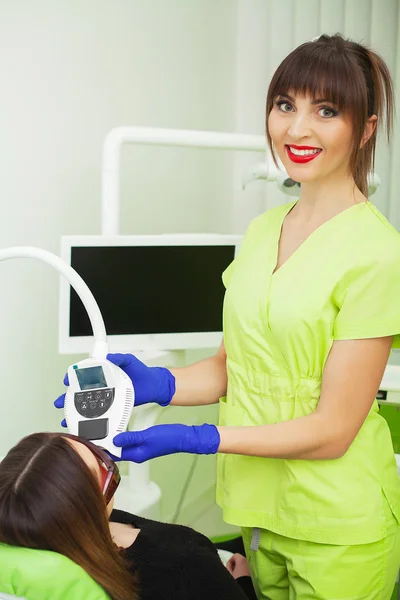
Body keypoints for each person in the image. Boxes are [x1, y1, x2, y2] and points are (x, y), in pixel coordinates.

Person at [56, 34, 400, 598]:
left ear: (365, 129)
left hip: (339, 523)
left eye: (326, 110)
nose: (296, 129)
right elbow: (232, 366)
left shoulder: (378, 254)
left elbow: (335, 430)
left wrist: (200, 438)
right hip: (259, 512)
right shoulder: (262, 232)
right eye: (285, 104)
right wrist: (150, 384)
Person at [0, 432, 257, 600]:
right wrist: (243, 582)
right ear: (86, 509)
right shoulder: (182, 561)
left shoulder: (42, 539)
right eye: (103, 467)